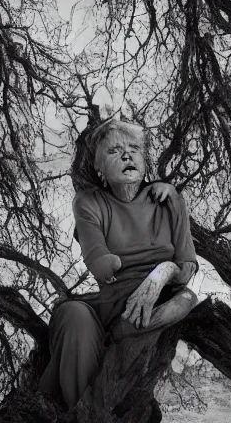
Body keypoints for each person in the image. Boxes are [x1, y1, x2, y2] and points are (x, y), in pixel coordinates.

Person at [38, 117, 200, 408]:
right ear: (99, 166)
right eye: (114, 151)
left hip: (164, 297)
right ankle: (84, 413)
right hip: (113, 301)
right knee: (74, 314)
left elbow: (187, 265)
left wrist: (161, 273)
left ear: (144, 157)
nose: (127, 155)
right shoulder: (88, 202)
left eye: (134, 148)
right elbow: (96, 258)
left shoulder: (169, 198)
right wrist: (107, 262)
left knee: (187, 298)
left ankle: (130, 330)